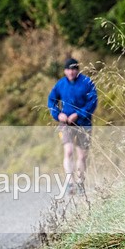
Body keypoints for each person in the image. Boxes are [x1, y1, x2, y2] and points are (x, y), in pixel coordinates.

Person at [47, 57, 98, 195]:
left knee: (82, 155)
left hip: (83, 123)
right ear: (65, 71)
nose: (71, 72)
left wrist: (78, 114)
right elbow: (51, 101)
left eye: (74, 69)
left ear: (78, 70)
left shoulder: (87, 82)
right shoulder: (60, 84)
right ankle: (70, 183)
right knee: (68, 151)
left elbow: (92, 102)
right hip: (66, 124)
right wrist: (58, 115)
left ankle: (81, 183)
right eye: (69, 69)